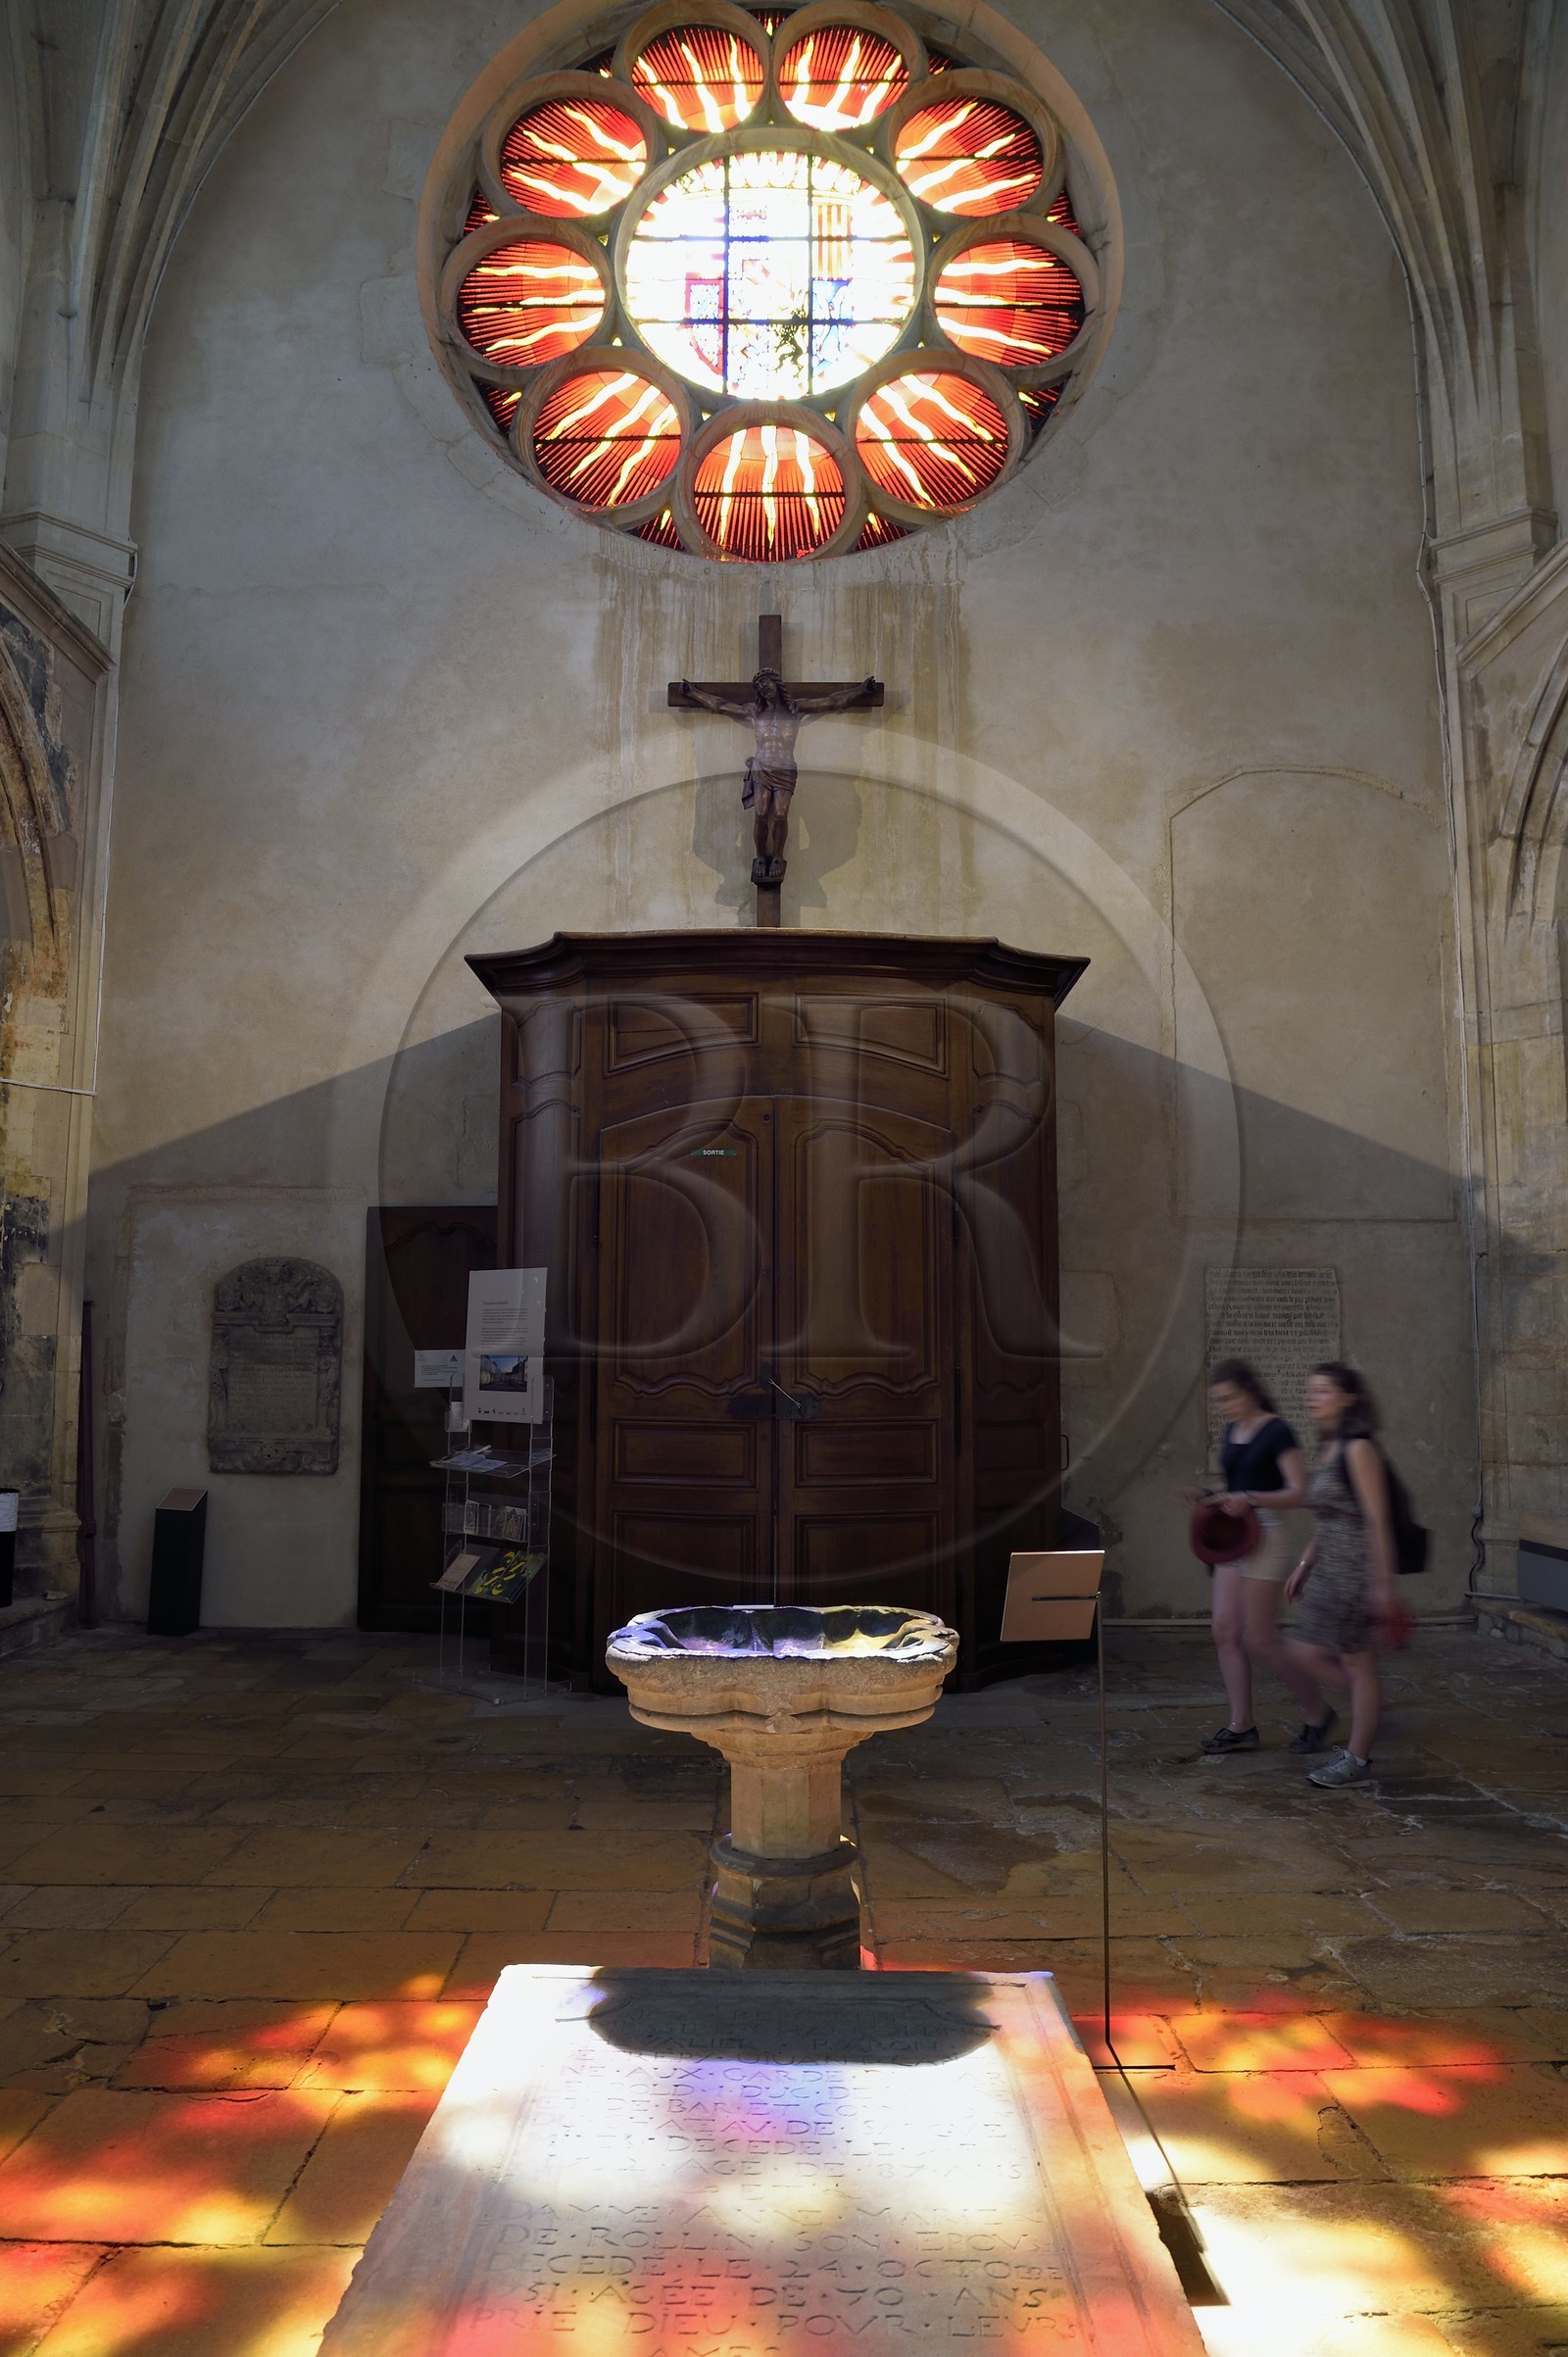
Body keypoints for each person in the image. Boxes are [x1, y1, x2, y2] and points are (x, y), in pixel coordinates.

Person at [1193, 1359, 1323, 1754]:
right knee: (1224, 1630)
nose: (1224, 1406)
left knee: (1260, 1638)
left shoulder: (1277, 1430)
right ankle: (1241, 1725)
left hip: (1265, 1534)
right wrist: (1206, 1496)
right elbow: (1234, 1485)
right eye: (1218, 1400)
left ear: (1248, 1390)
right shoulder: (1233, 1430)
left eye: (1229, 1397)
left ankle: (1318, 1714)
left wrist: (1248, 1498)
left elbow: (1300, 1492)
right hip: (1234, 1538)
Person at [1282, 1361, 1399, 1788]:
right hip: (1327, 1571)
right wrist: (1304, 1564)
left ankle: (1357, 1759)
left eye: (1323, 1391)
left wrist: (1382, 1586)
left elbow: (1375, 1519)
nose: (1312, 1397)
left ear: (1349, 1398)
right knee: (1302, 1652)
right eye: (1310, 1390)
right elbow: (1328, 1516)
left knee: (1359, 1665)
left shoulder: (1358, 1449)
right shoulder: (1329, 1447)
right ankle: (1373, 1709)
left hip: (1355, 1572)